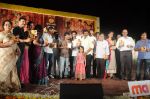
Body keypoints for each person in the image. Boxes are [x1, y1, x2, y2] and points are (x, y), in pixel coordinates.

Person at [0, 20, 20, 92]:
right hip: (4, 57)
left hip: (12, 56)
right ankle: (3, 88)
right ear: (3, 26)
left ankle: (11, 87)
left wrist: (18, 50)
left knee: (12, 71)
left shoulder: (12, 35)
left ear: (11, 26)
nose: (7, 26)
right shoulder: (1, 34)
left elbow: (15, 44)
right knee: (4, 71)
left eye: (9, 25)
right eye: (6, 25)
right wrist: (8, 44)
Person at [13, 17, 31, 85]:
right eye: (22, 21)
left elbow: (25, 40)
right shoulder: (16, 29)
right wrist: (25, 40)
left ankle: (19, 81)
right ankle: (17, 83)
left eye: (24, 21)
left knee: (20, 66)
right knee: (17, 65)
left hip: (22, 49)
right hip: (17, 49)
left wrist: (28, 40)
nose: (24, 23)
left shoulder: (23, 30)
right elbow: (16, 39)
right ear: (19, 22)